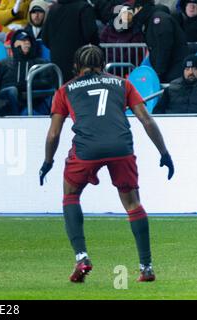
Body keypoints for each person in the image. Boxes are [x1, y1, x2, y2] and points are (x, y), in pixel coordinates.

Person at [39, 45, 174, 283]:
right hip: (121, 146)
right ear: (103, 65)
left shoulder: (65, 90)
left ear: (76, 66)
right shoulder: (123, 84)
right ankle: (146, 267)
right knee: (132, 203)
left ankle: (82, 257)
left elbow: (53, 135)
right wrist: (164, 152)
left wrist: (48, 161)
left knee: (70, 194)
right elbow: (146, 120)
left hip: (86, 149)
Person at [0, 30, 57, 116]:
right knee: (12, 91)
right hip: (6, 105)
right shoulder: (3, 64)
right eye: (23, 41)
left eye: (29, 41)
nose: (27, 43)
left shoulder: (41, 63)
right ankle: (15, 118)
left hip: (33, 104)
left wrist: (25, 84)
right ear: (15, 44)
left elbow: (48, 82)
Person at [41, 0, 100, 82]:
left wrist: (57, 48)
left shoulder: (53, 9)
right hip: (81, 63)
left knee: (62, 92)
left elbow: (44, 38)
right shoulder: (84, 7)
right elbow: (91, 34)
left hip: (58, 64)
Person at [131, 0, 189, 83]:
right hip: (169, 70)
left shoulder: (159, 20)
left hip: (174, 71)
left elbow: (164, 48)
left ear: (140, 8)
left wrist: (158, 72)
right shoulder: (151, 20)